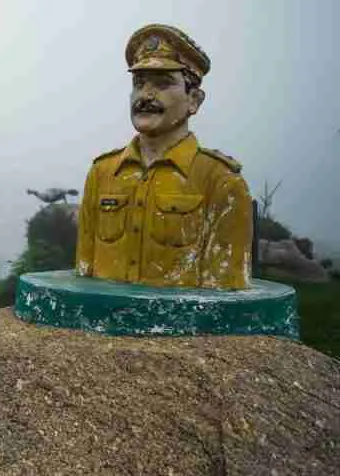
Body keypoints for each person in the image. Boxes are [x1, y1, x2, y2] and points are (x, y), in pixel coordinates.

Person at [75, 24, 252, 289]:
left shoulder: (221, 181)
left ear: (194, 100)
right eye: (139, 83)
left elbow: (224, 296)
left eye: (162, 84)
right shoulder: (102, 173)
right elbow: (84, 277)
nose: (145, 95)